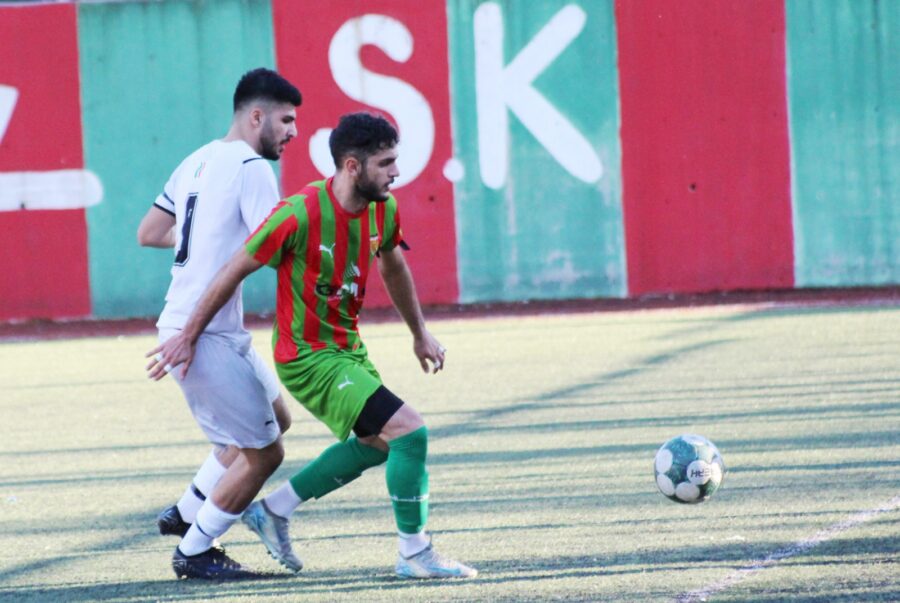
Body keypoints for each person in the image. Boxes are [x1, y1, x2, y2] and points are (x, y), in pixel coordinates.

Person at [148, 112, 477, 579]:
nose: (396, 173)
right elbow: (233, 268)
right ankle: (415, 553)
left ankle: (274, 510)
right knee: (410, 432)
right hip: (306, 356)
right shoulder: (297, 214)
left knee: (379, 444)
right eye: (386, 163)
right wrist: (188, 334)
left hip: (347, 350)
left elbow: (393, 266)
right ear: (352, 166)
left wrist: (419, 333)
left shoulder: (383, 207)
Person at [139, 67, 302, 579]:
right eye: (286, 120)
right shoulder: (252, 166)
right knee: (264, 454)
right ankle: (195, 549)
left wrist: (207, 231)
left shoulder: (197, 159)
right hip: (200, 332)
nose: (293, 131)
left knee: (276, 418)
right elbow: (275, 248)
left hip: (206, 329)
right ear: (256, 116)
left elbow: (150, 231)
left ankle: (187, 511)